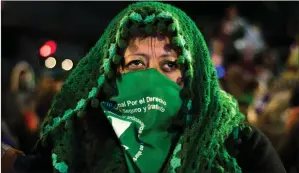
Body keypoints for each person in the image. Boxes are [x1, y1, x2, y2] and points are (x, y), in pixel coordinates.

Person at [2, 2, 286, 173]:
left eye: (169, 65)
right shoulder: (82, 137)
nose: (152, 79)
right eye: (137, 64)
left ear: (190, 75)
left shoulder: (240, 145)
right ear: (113, 72)